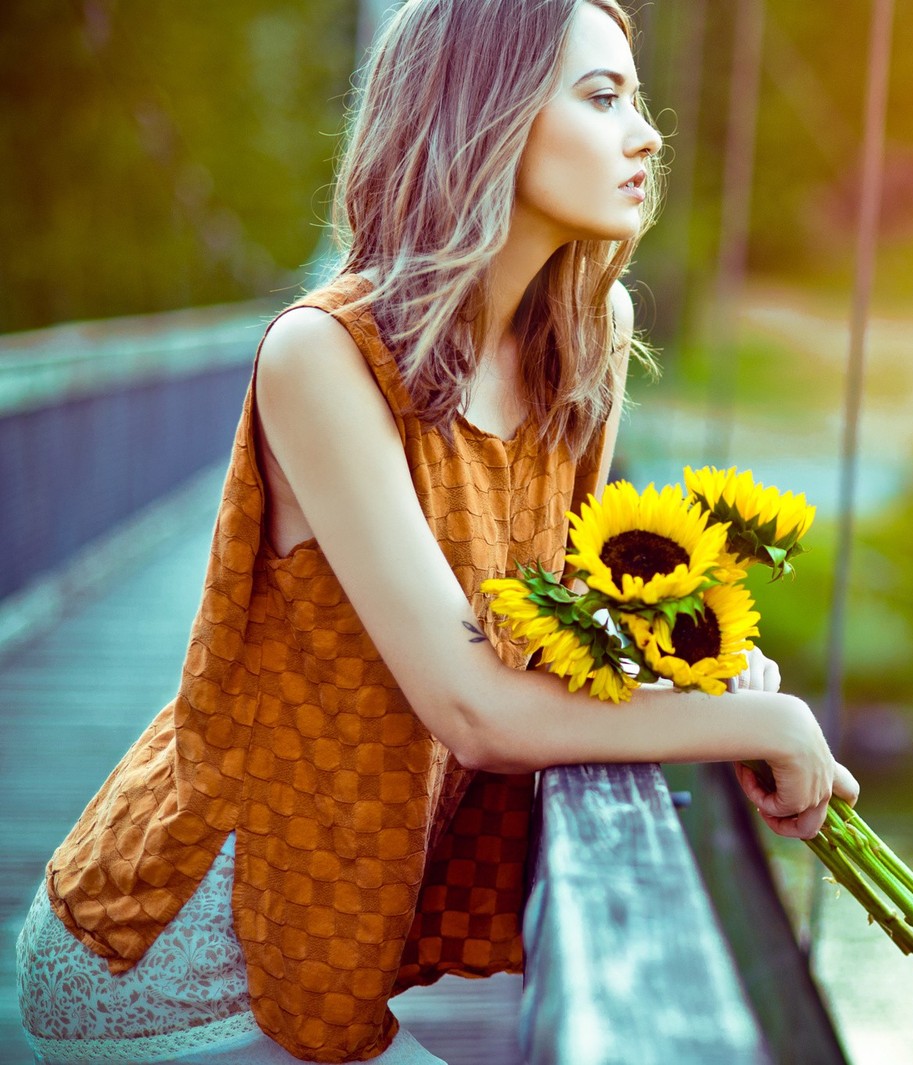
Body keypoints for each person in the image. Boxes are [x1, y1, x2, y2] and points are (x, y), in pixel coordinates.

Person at [14, 1, 857, 1061]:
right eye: (602, 99)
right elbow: (476, 707)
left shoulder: (585, 341)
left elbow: (570, 622)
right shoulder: (325, 358)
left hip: (333, 937)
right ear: (486, 117)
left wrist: (712, 681)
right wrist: (760, 729)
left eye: (637, 100)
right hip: (172, 964)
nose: (648, 135)